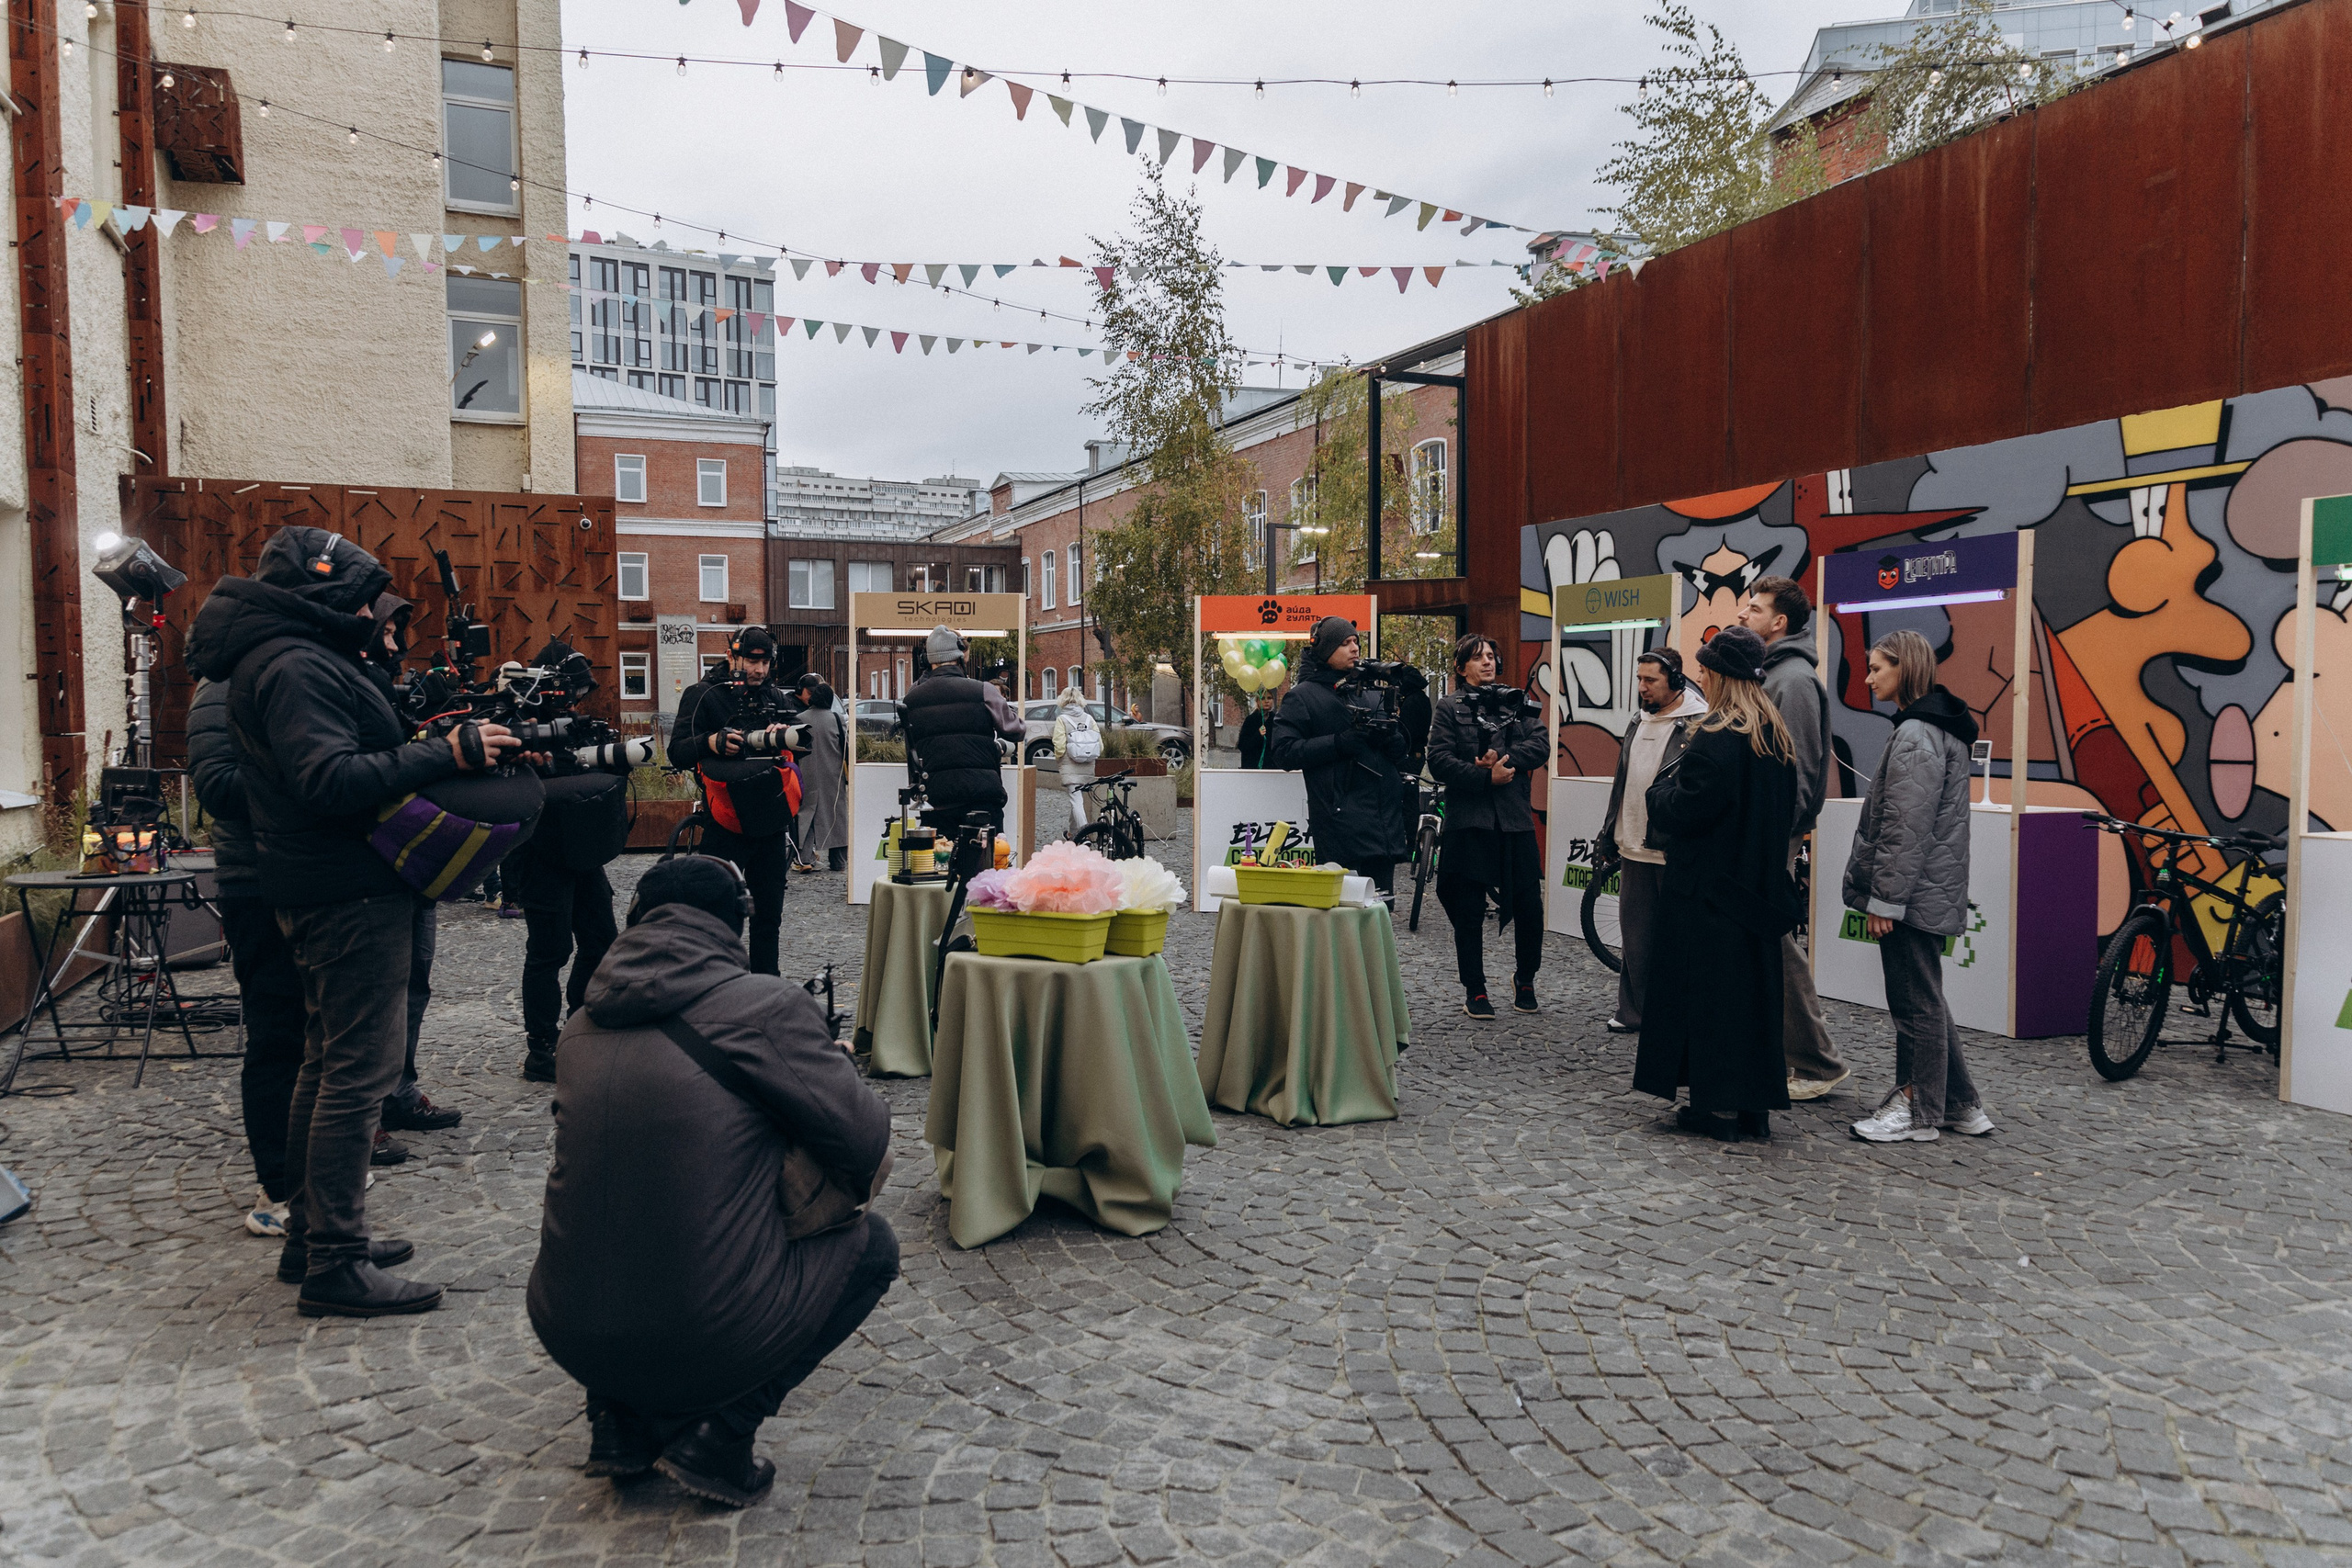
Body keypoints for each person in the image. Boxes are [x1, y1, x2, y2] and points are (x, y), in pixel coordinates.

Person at [190, 525, 519, 1317]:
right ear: (328, 592)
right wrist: (447, 752)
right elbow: (328, 778)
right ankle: (335, 1260)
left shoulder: (286, 655)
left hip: (329, 882)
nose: (377, 609)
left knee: (325, 1061)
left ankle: (315, 1235)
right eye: (366, 592)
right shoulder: (295, 662)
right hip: (346, 887)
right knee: (356, 1072)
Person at [527, 856, 897, 1509]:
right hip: (706, 1330)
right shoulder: (764, 1007)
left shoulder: (580, 1025)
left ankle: (618, 1419)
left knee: (625, 1179)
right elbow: (865, 1141)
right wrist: (824, 1073)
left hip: (567, 1327)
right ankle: (720, 1435)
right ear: (735, 925)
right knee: (874, 1249)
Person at [1632, 626, 1800, 1142]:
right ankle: (1753, 1108)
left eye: (1707, 668)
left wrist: (1658, 797)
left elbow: (1688, 809)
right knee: (1753, 1001)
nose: (1699, 674)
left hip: (1707, 894)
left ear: (1724, 676)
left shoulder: (1717, 736)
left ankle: (1715, 1108)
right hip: (1756, 891)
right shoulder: (1776, 736)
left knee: (1710, 1002)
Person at [1845, 630, 1996, 1144]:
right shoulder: (1934, 727)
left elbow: (1905, 826)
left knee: (1915, 1003)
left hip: (1912, 892)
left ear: (1903, 669)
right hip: (1928, 887)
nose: (1867, 679)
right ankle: (1960, 1104)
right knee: (1925, 996)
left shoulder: (1917, 733)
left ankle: (1917, 1110)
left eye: (1876, 668)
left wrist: (1886, 898)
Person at [185, 671, 306, 1238]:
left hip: (308, 876)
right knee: (277, 1033)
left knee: (317, 1036)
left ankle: (310, 1173)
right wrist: (316, 771)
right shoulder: (225, 684)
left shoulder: (287, 669)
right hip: (257, 882)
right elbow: (218, 786)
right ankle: (278, 1188)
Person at [1736, 575, 1851, 1100]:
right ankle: (1788, 1054)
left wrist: (1776, 832)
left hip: (1770, 836)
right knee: (1764, 939)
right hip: (1760, 832)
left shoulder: (1794, 681)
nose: (1744, 614)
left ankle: (1817, 1061)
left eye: (1754, 608)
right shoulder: (1773, 675)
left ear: (1779, 623)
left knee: (1774, 940)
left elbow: (1801, 769)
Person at [360, 591, 460, 1142]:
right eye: (389, 633)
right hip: (365, 867)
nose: (396, 646)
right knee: (375, 994)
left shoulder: (381, 686)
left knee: (414, 982)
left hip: (408, 865)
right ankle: (363, 1113)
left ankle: (398, 1093)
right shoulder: (336, 684)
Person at [508, 637, 628, 1084]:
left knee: (601, 939)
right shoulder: (518, 724)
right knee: (549, 949)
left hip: (581, 849)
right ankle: (540, 1047)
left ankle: (579, 1021)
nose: (575, 699)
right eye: (569, 690)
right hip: (540, 854)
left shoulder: (576, 725)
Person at [1427, 635, 1551, 1019]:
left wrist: (1505, 761)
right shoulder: (1449, 707)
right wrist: (1483, 777)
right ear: (1461, 667)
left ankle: (1525, 979)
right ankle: (1475, 989)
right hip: (1470, 821)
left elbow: (1541, 745)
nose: (1487, 663)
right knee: (1468, 910)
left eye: (1491, 657)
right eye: (1478, 658)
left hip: (1515, 820)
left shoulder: (1518, 701)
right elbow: (1439, 759)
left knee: (1530, 906)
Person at [669, 626, 801, 976]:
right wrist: (711, 742)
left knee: (768, 918)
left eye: (766, 662)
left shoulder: (776, 696)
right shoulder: (704, 694)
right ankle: (715, 991)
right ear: (732, 657)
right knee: (717, 917)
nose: (759, 670)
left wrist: (783, 738)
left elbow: (802, 745)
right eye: (752, 661)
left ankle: (765, 995)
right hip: (725, 822)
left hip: (771, 820)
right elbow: (677, 750)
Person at [1595, 649, 1707, 1035]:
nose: (1641, 688)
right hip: (1633, 844)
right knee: (1636, 938)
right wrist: (1610, 831)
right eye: (1639, 679)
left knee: (1679, 940)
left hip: (1671, 847)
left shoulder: (1697, 721)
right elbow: (1622, 780)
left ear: (1675, 679)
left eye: (1650, 680)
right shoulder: (1636, 720)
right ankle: (1633, 1012)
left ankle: (1678, 1015)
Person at [1269, 617, 1409, 893]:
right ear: (1325, 650)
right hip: (1340, 827)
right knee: (1342, 917)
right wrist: (1337, 743)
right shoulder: (1302, 697)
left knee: (1380, 917)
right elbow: (1283, 752)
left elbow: (1400, 753)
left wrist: (1394, 740)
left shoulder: (1371, 692)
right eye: (1345, 643)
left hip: (1384, 825)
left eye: (1356, 641)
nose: (1354, 648)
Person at [901, 626, 1023, 855]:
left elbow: (912, 751)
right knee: (987, 865)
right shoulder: (984, 691)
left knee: (940, 865)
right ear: (960, 657)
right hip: (982, 796)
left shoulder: (912, 698)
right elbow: (1015, 730)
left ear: (927, 660)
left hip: (936, 799)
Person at [797, 681, 852, 874]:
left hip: (805, 774)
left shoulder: (799, 719)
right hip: (832, 775)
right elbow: (846, 749)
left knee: (806, 814)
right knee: (837, 816)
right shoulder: (837, 719)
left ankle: (804, 859)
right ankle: (838, 861)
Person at [1052, 685, 1102, 828]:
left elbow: (1060, 745)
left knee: (1076, 801)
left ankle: (1084, 833)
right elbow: (1100, 745)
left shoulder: (1062, 719)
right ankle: (1072, 833)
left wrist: (1059, 758)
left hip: (1070, 765)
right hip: (1087, 764)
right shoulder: (1089, 718)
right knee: (1078, 800)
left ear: (1063, 700)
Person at [1237, 694, 1275, 769]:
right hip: (1253, 767)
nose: (1266, 701)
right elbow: (1242, 745)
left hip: (1272, 769)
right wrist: (1258, 735)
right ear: (1258, 701)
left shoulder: (1277, 720)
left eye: (1269, 698)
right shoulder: (1251, 720)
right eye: (1263, 698)